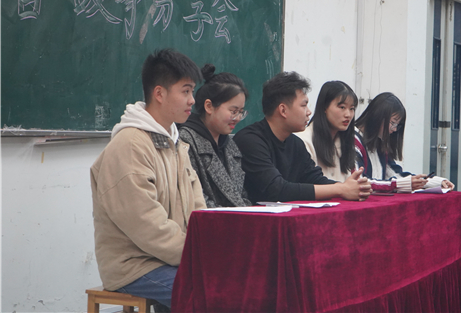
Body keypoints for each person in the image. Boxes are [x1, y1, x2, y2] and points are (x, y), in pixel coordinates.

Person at [90, 49, 207, 310]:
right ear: (159, 94)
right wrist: (195, 255)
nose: (192, 100)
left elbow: (197, 207)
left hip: (171, 259)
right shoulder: (130, 145)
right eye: (186, 91)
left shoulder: (175, 142)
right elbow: (145, 223)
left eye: (192, 91)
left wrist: (206, 249)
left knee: (232, 281)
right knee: (209, 293)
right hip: (135, 266)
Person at [234, 71, 372, 203]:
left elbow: (315, 179)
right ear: (283, 110)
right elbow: (276, 189)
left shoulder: (295, 143)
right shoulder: (250, 140)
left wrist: (349, 187)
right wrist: (340, 189)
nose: (309, 112)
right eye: (304, 105)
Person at [179, 64, 251, 208]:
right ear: (209, 106)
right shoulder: (186, 141)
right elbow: (196, 199)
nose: (237, 118)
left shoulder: (229, 144)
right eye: (233, 111)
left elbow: (242, 195)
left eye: (241, 112)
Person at [354, 92, 454, 191]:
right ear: (377, 116)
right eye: (393, 123)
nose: (394, 129)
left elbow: (396, 175)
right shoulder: (354, 141)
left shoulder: (378, 141)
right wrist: (400, 184)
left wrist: (434, 182)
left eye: (397, 125)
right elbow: (361, 182)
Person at [296, 80, 358, 183]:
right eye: (342, 107)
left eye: (352, 109)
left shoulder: (345, 142)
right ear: (325, 107)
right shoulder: (303, 141)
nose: (348, 114)